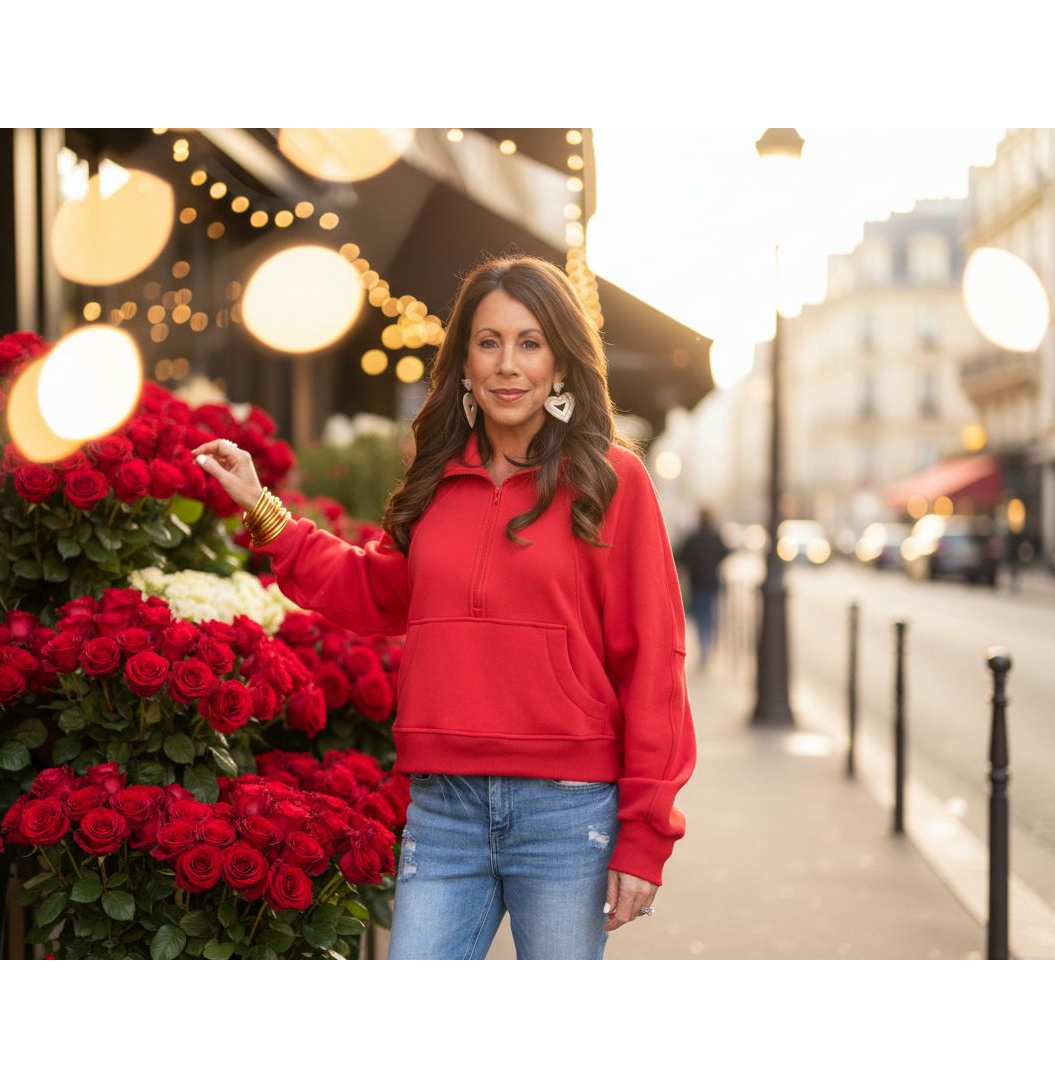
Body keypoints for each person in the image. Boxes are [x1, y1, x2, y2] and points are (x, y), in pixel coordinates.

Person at [192, 254, 697, 960]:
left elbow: (653, 662)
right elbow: (374, 592)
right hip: (444, 807)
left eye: (529, 342)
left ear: (559, 362)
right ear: (463, 360)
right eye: (488, 342)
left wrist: (645, 834)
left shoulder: (612, 479)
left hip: (565, 810)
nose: (507, 364)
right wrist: (264, 508)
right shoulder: (437, 478)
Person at [674, 508, 730, 667]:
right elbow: (725, 553)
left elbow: (679, 556)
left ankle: (704, 645)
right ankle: (708, 644)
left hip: (697, 582)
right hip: (712, 582)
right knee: (710, 614)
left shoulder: (693, 538)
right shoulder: (715, 537)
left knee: (700, 616)